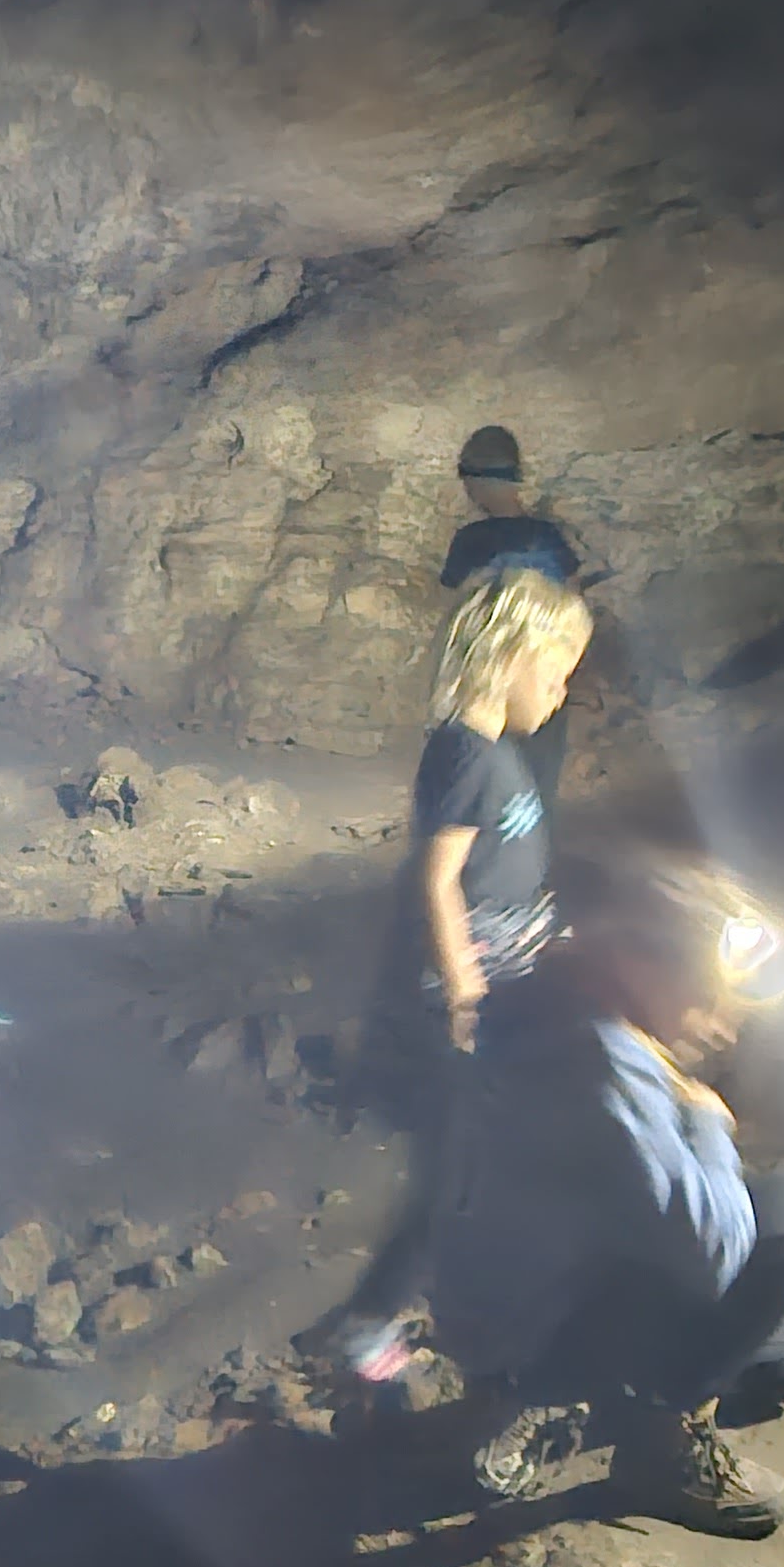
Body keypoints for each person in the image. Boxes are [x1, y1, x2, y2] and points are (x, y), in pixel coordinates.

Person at [424, 854, 784, 1540]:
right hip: (536, 1332)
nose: (724, 1023)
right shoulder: (605, 1070)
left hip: (524, 1294)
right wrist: (703, 1118)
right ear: (646, 968)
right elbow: (715, 1252)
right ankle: (652, 1447)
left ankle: (578, 1395)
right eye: (709, 996)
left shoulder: (554, 994)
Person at [314, 565, 592, 1380]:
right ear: (509, 656)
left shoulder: (492, 750)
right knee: (461, 1174)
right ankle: (369, 1327)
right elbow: (438, 881)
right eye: (557, 674)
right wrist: (466, 994)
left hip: (518, 977)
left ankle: (478, 1301)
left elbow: (497, 870)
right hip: (486, 999)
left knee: (497, 1160)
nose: (562, 694)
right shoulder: (466, 753)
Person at [435, 425, 599, 804]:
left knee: (483, 782)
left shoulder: (471, 541)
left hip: (487, 682)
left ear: (475, 484)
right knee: (539, 782)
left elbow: (455, 614)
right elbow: (574, 608)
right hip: (544, 678)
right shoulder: (550, 538)